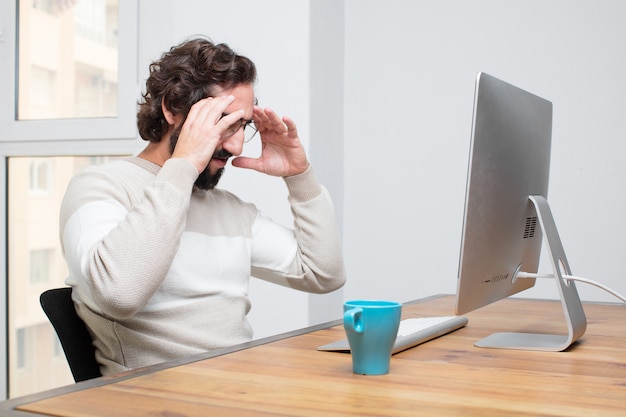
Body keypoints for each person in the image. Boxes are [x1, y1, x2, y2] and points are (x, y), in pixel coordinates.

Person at [59, 37, 346, 375]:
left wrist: (300, 177)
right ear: (171, 110)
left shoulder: (231, 211)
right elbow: (120, 293)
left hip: (237, 391)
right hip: (153, 403)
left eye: (243, 126)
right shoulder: (101, 186)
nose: (237, 144)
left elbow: (324, 275)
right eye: (223, 122)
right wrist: (182, 167)